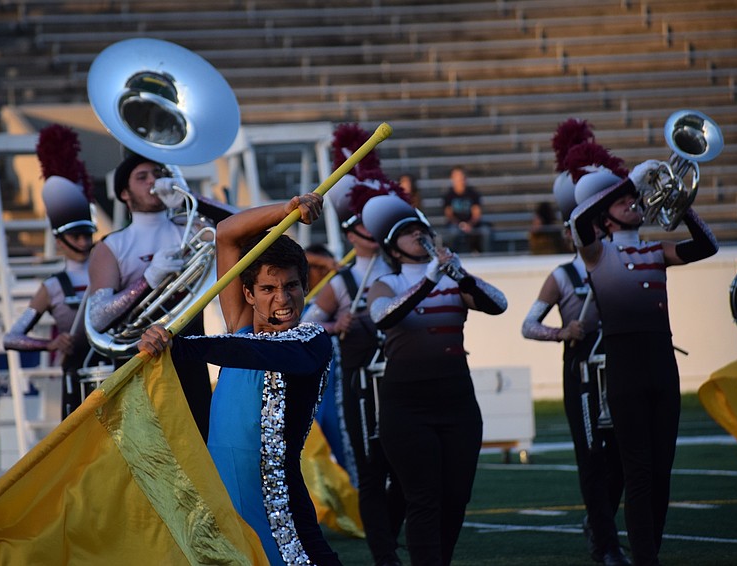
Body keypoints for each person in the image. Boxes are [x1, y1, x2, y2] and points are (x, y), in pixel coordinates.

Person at [138, 191, 342, 565]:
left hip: (280, 511)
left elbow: (254, 352)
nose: (282, 299)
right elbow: (227, 233)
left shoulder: (311, 341)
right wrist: (287, 210)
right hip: (224, 507)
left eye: (292, 286)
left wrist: (180, 346)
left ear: (306, 287)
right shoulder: (240, 329)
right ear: (247, 293)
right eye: (267, 289)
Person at [569, 161, 719, 566]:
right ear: (607, 218)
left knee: (662, 470)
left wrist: (681, 203)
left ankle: (648, 547)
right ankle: (646, 558)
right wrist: (629, 180)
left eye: (633, 199)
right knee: (638, 470)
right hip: (625, 366)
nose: (632, 202)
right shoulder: (597, 254)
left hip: (661, 362)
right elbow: (578, 219)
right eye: (622, 202)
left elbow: (709, 246)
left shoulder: (657, 251)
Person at [363, 193, 507, 565]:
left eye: (422, 230)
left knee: (456, 496)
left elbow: (499, 304)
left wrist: (466, 277)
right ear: (393, 249)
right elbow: (383, 317)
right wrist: (428, 280)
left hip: (457, 399)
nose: (419, 236)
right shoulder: (386, 282)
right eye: (409, 233)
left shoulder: (453, 283)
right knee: (423, 497)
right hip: (406, 405)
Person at [521, 121, 630, 565]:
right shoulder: (563, 276)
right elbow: (528, 324)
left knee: (623, 459)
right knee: (592, 459)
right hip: (583, 373)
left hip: (623, 365)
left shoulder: (623, 263)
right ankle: (605, 544)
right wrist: (562, 332)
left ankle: (600, 524)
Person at [303, 164, 406, 566]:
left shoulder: (400, 270)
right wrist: (335, 324)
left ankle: (390, 531)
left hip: (401, 376)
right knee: (366, 462)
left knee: (405, 466)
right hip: (359, 382)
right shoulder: (341, 282)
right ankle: (382, 545)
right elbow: (308, 324)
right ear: (351, 232)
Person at [86, 152, 214, 441]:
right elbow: (99, 316)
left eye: (157, 174)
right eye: (142, 177)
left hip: (190, 358)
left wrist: (186, 199)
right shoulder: (111, 246)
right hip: (138, 362)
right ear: (124, 193)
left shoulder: (193, 228)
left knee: (201, 448)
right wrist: (147, 280)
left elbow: (234, 232)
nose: (153, 182)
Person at [3, 125, 102, 419]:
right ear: (60, 242)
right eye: (77, 236)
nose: (84, 242)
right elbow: (12, 337)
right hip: (77, 379)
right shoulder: (53, 287)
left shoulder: (110, 270)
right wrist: (50, 343)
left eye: (87, 235)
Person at [443, 165, 486, 253]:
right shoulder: (448, 195)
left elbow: (476, 214)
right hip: (455, 224)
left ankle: (482, 255)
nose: (460, 179)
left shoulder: (473, 194)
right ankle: (452, 255)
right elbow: (449, 215)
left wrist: (470, 224)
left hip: (471, 224)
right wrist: (460, 225)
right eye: (457, 177)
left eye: (462, 176)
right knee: (453, 232)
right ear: (452, 178)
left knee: (485, 231)